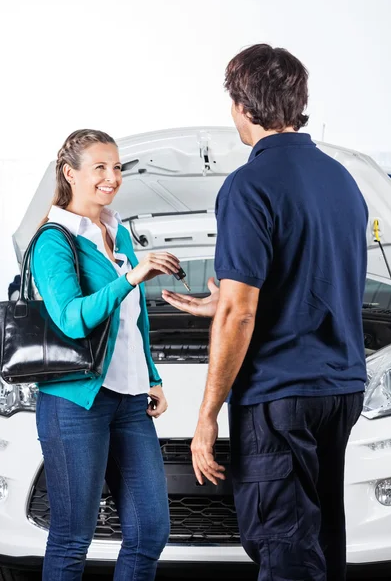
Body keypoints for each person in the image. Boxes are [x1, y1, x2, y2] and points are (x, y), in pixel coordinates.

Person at [162, 44, 368, 581]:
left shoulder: (248, 186)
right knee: (322, 537)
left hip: (280, 395)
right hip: (340, 389)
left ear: (244, 107)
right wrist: (225, 302)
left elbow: (241, 315)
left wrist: (206, 417)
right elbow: (315, 280)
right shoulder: (343, 182)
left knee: (282, 543)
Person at [32, 129, 179, 581]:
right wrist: (131, 277)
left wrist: (151, 376)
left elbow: (136, 320)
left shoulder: (116, 229)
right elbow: (73, 319)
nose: (112, 177)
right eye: (99, 167)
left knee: (149, 530)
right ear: (70, 173)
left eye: (116, 167)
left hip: (130, 401)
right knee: (73, 538)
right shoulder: (54, 240)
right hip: (76, 403)